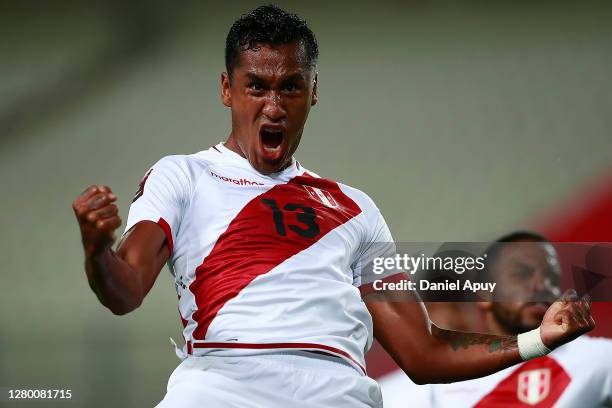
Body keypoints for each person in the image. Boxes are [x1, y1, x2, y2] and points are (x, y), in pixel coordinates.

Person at [71, 6, 595, 408]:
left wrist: (535, 340)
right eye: (256, 86)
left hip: (335, 395)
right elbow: (125, 290)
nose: (273, 105)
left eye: (290, 87)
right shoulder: (182, 176)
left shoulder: (357, 210)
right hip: (222, 392)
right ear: (227, 89)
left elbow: (423, 352)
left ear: (313, 92)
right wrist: (97, 251)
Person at [380, 231, 612, 407]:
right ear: (484, 294)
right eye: (522, 274)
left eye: (551, 277)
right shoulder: (432, 382)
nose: (542, 285)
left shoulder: (598, 360)